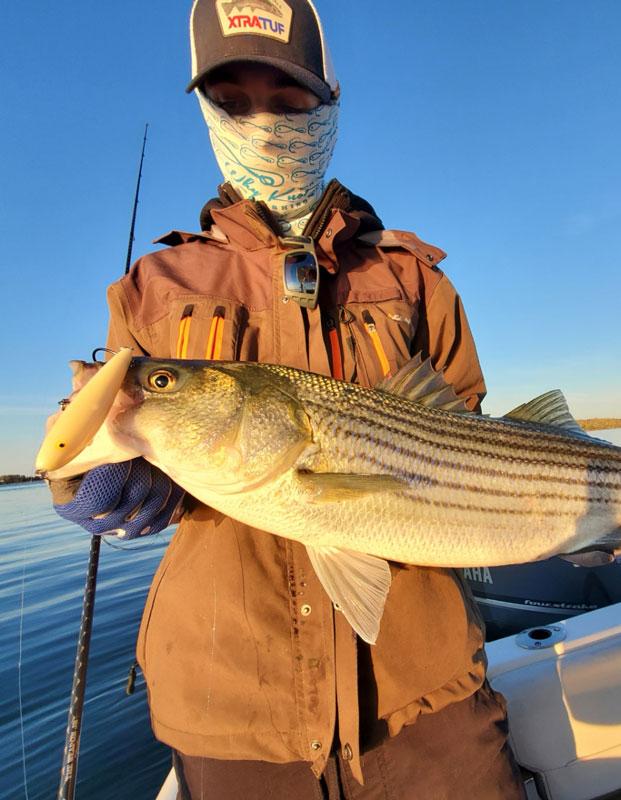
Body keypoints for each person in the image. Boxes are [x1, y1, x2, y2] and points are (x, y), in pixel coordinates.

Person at [49, 1, 527, 797]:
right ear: (206, 112)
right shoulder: (152, 286)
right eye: (233, 100)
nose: (263, 121)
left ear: (330, 101)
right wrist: (86, 478)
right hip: (232, 712)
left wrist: (588, 512)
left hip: (427, 694)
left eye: (289, 97)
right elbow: (101, 427)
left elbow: (467, 439)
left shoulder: (413, 277)